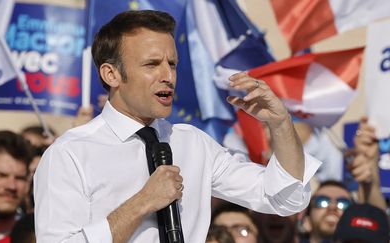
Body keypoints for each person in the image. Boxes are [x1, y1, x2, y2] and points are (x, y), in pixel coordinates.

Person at [34, 10, 321, 242]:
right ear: (111, 74)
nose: (168, 76)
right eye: (152, 64)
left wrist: (281, 124)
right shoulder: (70, 153)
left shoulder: (193, 143)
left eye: (172, 63)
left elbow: (285, 199)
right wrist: (142, 203)